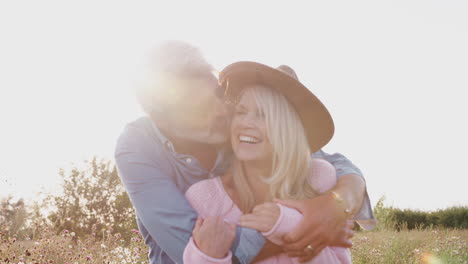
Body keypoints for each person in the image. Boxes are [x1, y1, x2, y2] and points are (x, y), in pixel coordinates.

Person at [114, 41, 375, 264]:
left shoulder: (237, 124)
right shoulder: (138, 148)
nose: (221, 111)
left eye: (218, 95)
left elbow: (316, 156)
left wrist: (335, 203)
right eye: (200, 109)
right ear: (166, 123)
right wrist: (302, 227)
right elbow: (192, 246)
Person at [182, 62, 375, 263]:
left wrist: (287, 223)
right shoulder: (204, 197)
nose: (245, 123)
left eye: (263, 115)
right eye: (241, 112)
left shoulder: (319, 177)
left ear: (287, 129)